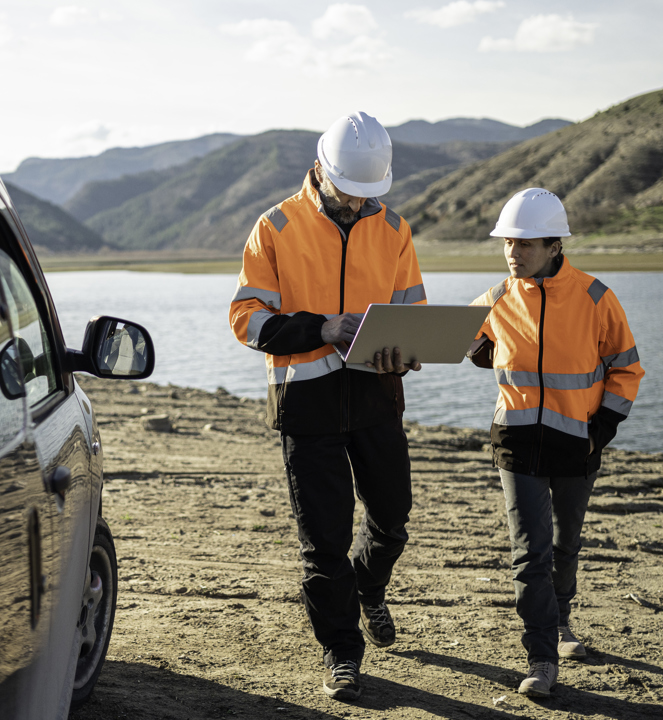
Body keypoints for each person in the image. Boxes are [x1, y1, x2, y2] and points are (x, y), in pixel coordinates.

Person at [229, 111, 425, 701]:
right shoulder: (274, 227)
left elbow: (413, 311)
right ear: (320, 169)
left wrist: (408, 351)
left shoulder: (393, 228)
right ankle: (342, 651)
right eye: (348, 193)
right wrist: (321, 327)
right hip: (306, 403)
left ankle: (368, 587)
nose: (356, 205)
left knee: (393, 518)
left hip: (375, 394)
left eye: (367, 195)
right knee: (324, 541)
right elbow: (246, 319)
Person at [468, 188, 644, 697]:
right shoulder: (497, 297)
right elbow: (468, 343)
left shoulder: (595, 297)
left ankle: (562, 620)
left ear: (554, 246)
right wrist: (475, 350)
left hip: (577, 444)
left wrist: (599, 433)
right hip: (516, 444)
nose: (512, 253)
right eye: (507, 242)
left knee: (566, 544)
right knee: (529, 554)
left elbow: (626, 369)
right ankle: (541, 657)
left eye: (524, 244)